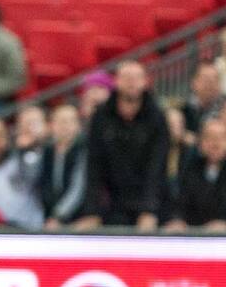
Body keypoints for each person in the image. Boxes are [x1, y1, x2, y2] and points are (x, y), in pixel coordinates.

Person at [76, 61, 168, 231]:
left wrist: (149, 210)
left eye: (136, 78)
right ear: (116, 81)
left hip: (147, 201)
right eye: (126, 78)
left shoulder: (156, 117)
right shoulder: (101, 116)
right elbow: (94, 165)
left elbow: (157, 167)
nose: (131, 82)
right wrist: (91, 210)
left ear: (145, 82)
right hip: (112, 202)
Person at [164, 119, 226, 232]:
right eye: (210, 137)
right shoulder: (190, 167)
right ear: (201, 142)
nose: (215, 143)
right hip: (195, 234)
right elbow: (179, 202)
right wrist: (178, 219)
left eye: (220, 138)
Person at [39, 103, 87, 229]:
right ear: (51, 125)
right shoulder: (45, 150)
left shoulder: (84, 150)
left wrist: (58, 216)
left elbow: (78, 188)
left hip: (79, 217)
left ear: (79, 126)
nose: (65, 126)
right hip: (49, 217)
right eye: (61, 121)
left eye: (71, 121)